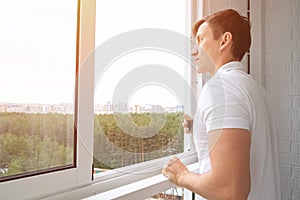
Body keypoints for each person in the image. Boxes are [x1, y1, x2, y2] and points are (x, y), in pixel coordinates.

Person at [162, 9, 280, 200]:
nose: (194, 50)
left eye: (201, 40)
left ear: (225, 40)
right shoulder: (256, 90)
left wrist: (181, 175)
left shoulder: (221, 90)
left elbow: (229, 191)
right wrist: (202, 127)